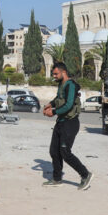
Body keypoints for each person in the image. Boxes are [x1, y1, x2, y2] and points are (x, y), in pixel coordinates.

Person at [42, 62, 93, 190]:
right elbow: (59, 98)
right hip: (61, 122)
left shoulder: (71, 85)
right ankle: (57, 178)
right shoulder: (61, 84)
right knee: (54, 151)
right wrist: (50, 104)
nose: (53, 76)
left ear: (63, 72)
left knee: (65, 152)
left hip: (70, 123)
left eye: (56, 73)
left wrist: (53, 112)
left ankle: (85, 175)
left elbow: (69, 105)